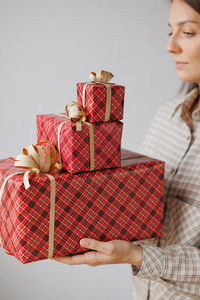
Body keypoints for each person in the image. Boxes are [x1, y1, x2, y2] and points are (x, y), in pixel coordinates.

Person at [51, 0, 200, 298]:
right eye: (170, 31)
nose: (170, 46)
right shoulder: (168, 115)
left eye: (188, 32)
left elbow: (140, 251)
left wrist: (138, 256)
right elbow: (133, 200)